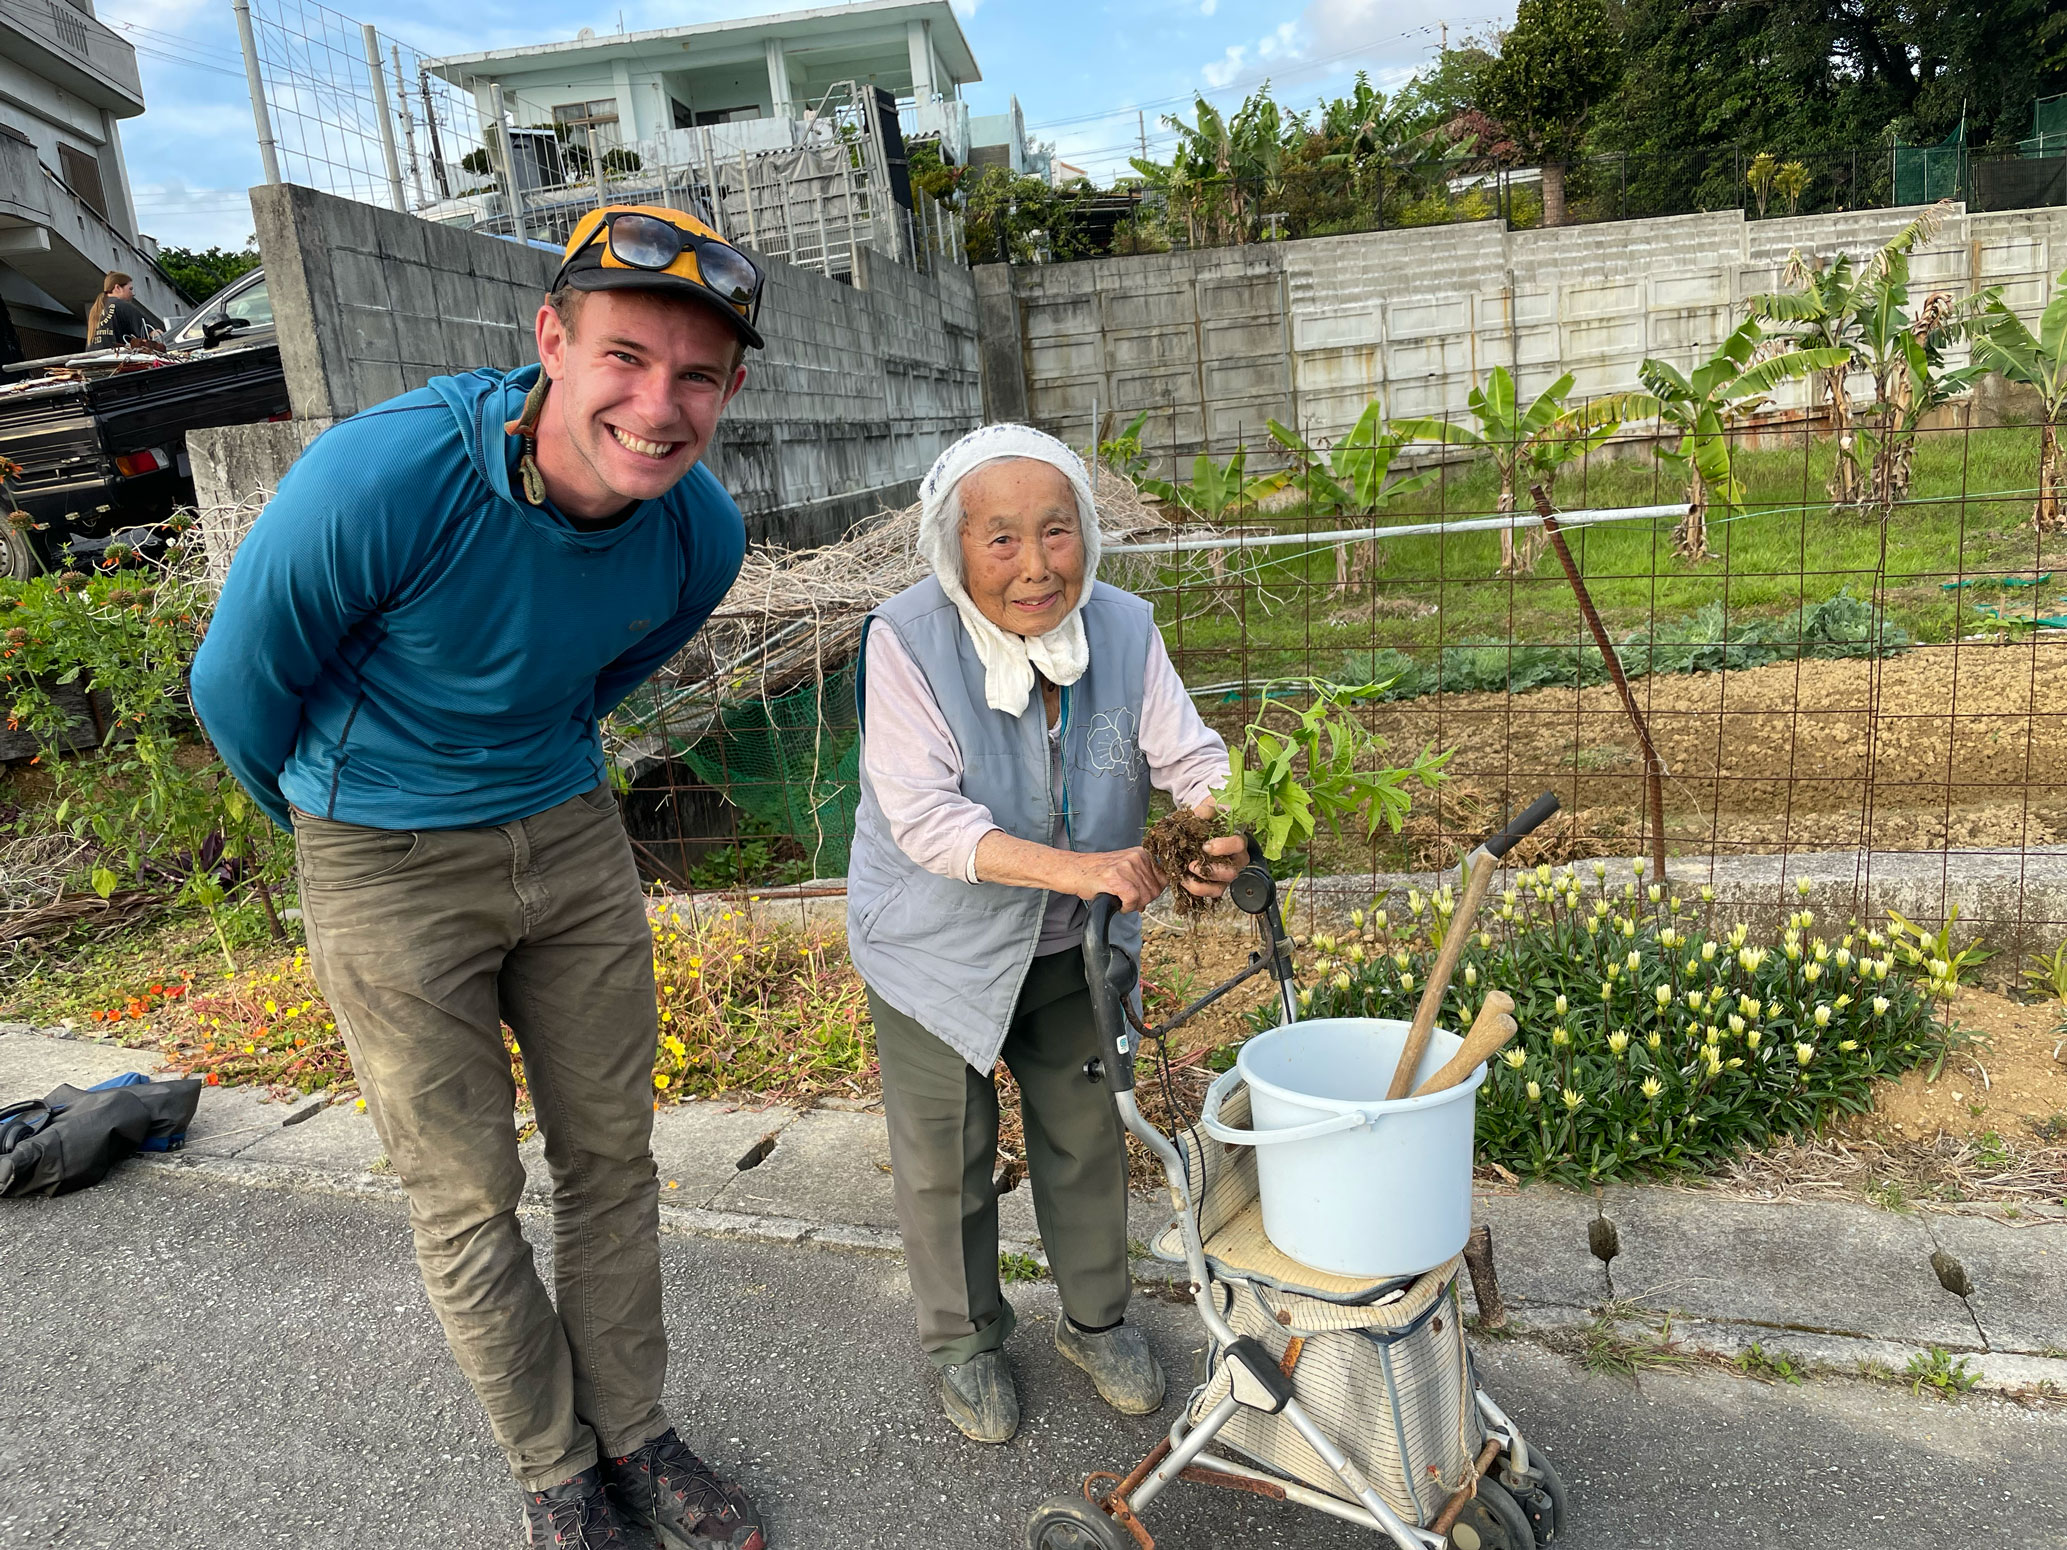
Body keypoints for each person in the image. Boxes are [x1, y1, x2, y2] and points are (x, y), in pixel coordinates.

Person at [192, 206, 772, 1550]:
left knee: (611, 1160)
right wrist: (350, 819)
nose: (655, 404)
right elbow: (237, 688)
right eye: (623, 356)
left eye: (695, 376)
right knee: (464, 1191)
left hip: (566, 832)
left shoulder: (699, 538)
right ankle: (555, 1466)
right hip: (378, 857)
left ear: (730, 390)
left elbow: (615, 665)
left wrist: (536, 756)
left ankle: (633, 1427)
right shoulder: (384, 478)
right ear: (549, 341)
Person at [847, 423, 1247, 1443]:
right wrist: (1085, 868)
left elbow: (1189, 752)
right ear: (955, 547)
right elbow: (927, 820)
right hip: (935, 947)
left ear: (1087, 534)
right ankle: (966, 1342)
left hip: (1078, 943)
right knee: (948, 1154)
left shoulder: (1122, 626)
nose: (1036, 564)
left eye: (1057, 531)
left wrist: (1220, 820)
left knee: (1087, 1135)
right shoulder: (905, 639)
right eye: (1003, 539)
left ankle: (1096, 1319)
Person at [86, 272, 158, 348]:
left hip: (94, 357)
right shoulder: (122, 306)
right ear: (117, 288)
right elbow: (152, 333)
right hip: (116, 357)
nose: (133, 294)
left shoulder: (96, 309)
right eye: (130, 289)